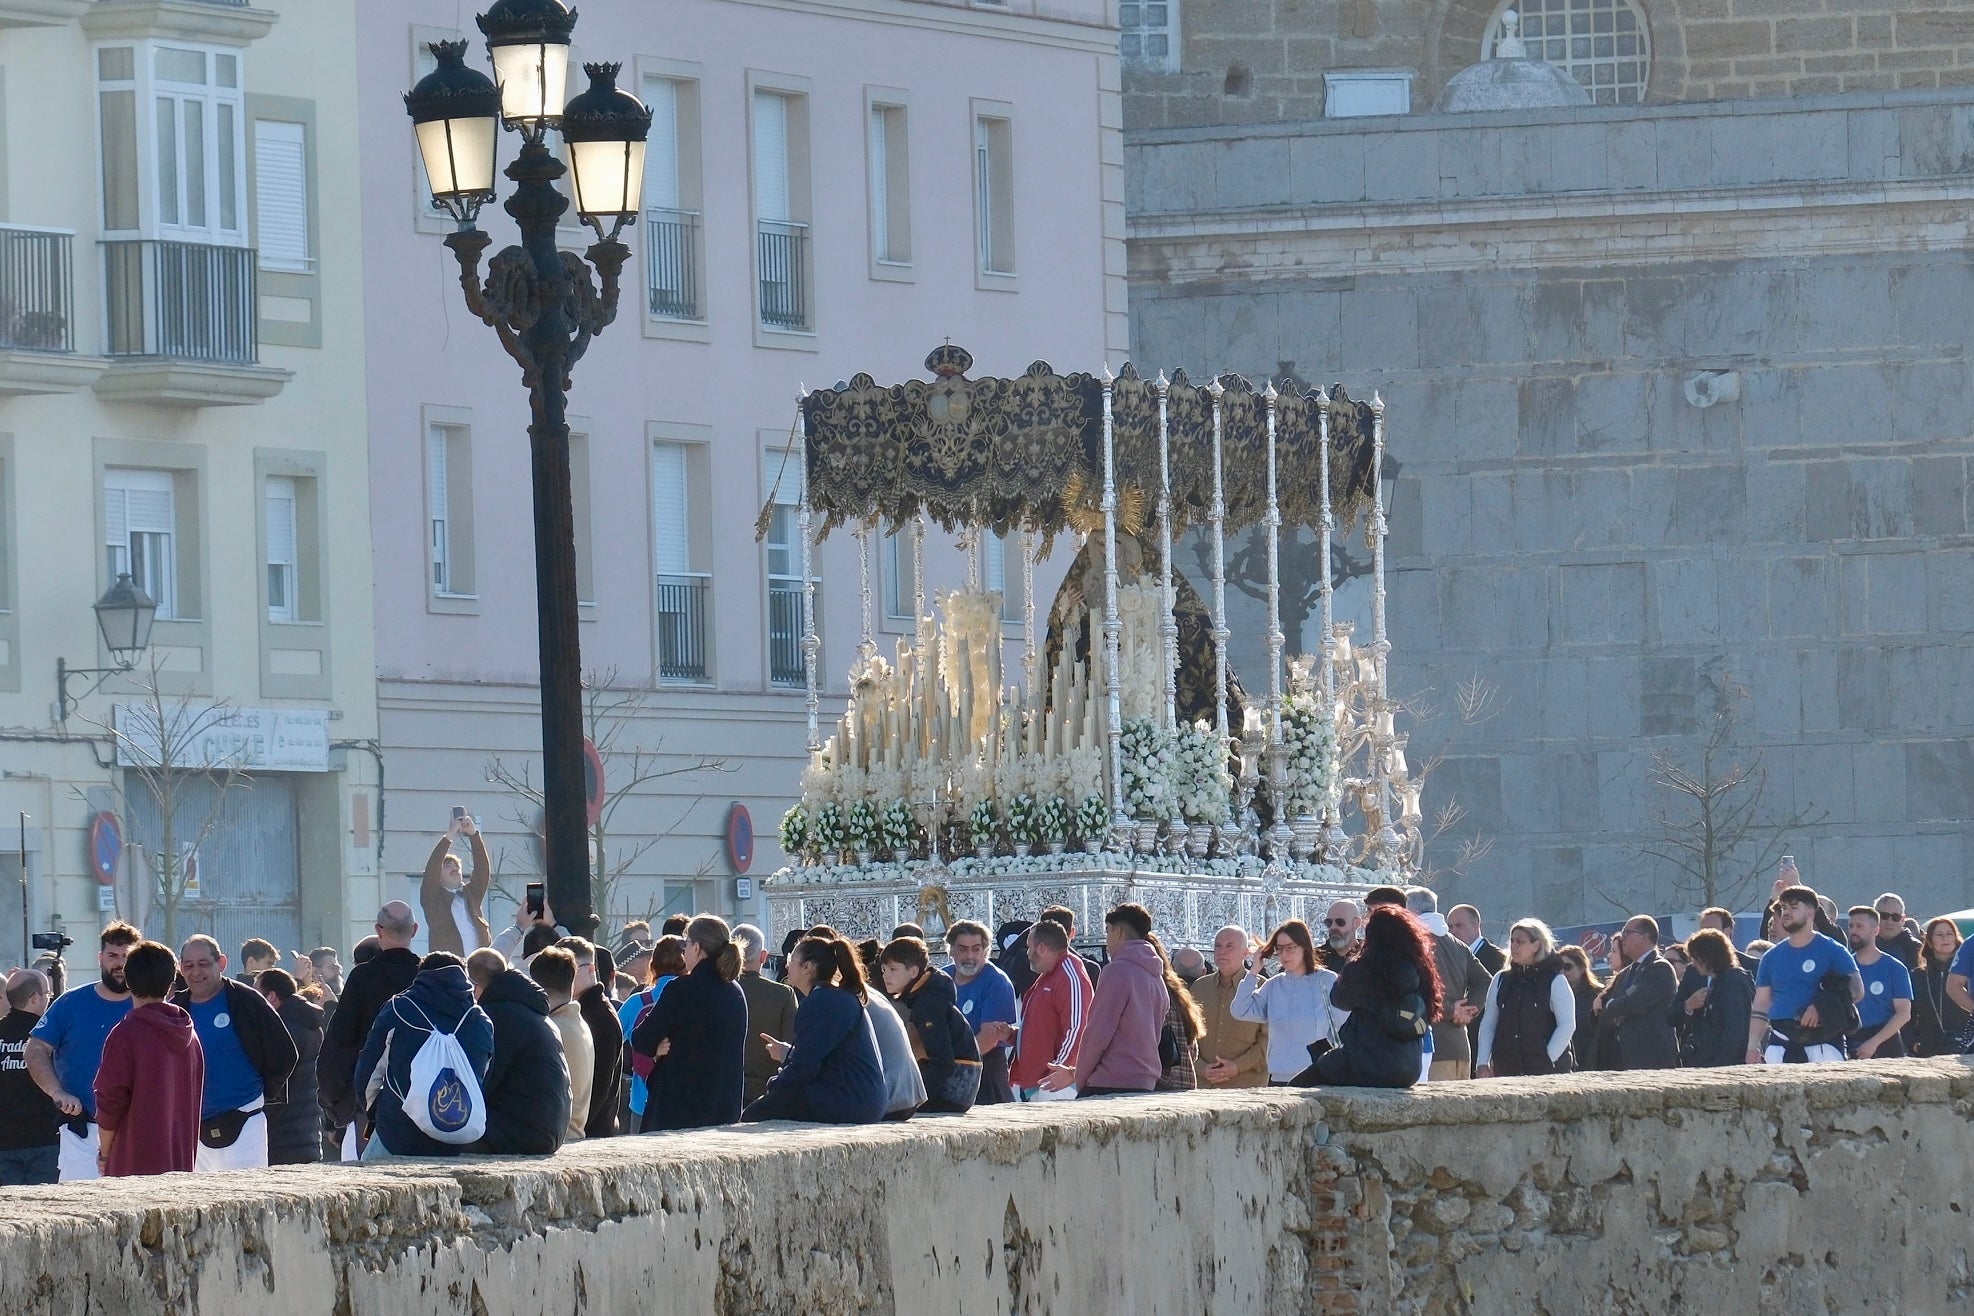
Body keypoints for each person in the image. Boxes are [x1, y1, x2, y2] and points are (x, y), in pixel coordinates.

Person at [169, 935, 299, 1172]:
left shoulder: (245, 999)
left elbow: (284, 1053)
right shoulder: (176, 1008)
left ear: (221, 963)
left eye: (203, 963)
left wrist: (263, 1091)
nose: (196, 972)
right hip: (193, 1129)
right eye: (188, 965)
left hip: (244, 1119)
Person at [24, 921, 140, 1180]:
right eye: (112, 956)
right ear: (100, 958)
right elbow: (35, 1049)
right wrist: (57, 1092)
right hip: (82, 1133)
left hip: (135, 1132)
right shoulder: (70, 1003)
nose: (119, 963)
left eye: (127, 956)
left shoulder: (149, 1005)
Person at [353, 951, 495, 1159]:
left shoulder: (399, 1009)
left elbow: (367, 1075)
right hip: (456, 1143)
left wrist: (377, 1112)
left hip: (398, 1134)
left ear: (421, 975)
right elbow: (482, 1079)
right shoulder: (481, 1021)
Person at [743, 934, 887, 1125]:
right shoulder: (836, 997)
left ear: (807, 967)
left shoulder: (820, 1002)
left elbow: (804, 1067)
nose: (786, 966)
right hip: (864, 1100)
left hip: (849, 1101)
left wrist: (775, 1085)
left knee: (753, 1115)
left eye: (790, 960)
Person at [1291, 905, 1440, 1090]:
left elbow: (1338, 1000)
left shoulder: (1364, 969)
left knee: (1295, 1087)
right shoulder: (1420, 969)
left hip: (1363, 1063)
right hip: (1408, 1069)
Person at [320, 902, 423, 1159]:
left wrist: (334, 1107)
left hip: (370, 1100)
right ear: (415, 930)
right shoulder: (427, 977)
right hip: (424, 1097)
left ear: (378, 930)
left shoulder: (362, 979)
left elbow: (339, 1043)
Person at [93, 941, 203, 1178]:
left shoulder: (126, 1033)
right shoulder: (190, 1033)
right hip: (180, 1164)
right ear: (171, 983)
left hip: (133, 1166)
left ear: (128, 980)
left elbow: (110, 1102)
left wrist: (105, 1155)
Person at [631, 915, 749, 1132]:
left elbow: (641, 1039)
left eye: (685, 944)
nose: (683, 951)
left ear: (697, 947)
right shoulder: (735, 991)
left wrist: (657, 1048)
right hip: (724, 1110)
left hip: (679, 1112)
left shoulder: (682, 989)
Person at [465, 947, 570, 1154]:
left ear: (475, 986)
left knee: (438, 1135)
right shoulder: (531, 1010)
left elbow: (483, 1083)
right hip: (547, 1128)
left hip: (526, 1132)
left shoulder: (497, 1017)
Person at [1747, 885, 1865, 1065]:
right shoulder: (1771, 957)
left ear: (1811, 912)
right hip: (1780, 1042)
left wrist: (1822, 1007)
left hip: (1822, 1043)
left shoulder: (1833, 950)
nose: (1786, 912)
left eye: (1794, 908)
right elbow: (1761, 1004)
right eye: (1784, 908)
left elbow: (1857, 991)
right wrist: (1752, 1046)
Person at [1229, 918, 1343, 1084]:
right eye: (1279, 949)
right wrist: (1253, 972)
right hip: (1280, 1079)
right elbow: (1239, 1010)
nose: (1284, 954)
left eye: (1290, 948)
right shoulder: (1273, 986)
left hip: (1319, 1077)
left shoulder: (1327, 980)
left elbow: (1345, 1024)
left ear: (1304, 947)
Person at [1073, 905, 1169, 1097]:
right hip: (1145, 1081)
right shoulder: (1156, 975)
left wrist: (1081, 1079)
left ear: (1118, 931)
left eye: (1108, 931)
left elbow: (1097, 1032)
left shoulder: (1117, 971)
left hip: (1110, 1079)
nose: (1107, 940)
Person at [880, 936, 981, 1113]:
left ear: (913, 972)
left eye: (893, 969)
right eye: (884, 970)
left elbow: (942, 1061)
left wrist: (916, 1101)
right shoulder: (924, 998)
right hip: (958, 1088)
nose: (886, 975)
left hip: (955, 1090)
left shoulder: (928, 1005)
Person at [1405, 888, 1489, 1080]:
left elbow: (1416, 990)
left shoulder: (1414, 943)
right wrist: (1467, 1010)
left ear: (1411, 911)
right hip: (1461, 1047)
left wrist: (1452, 1010)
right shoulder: (1458, 945)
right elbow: (1485, 981)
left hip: (1432, 1050)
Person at [1474, 919, 1574, 1078]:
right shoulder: (1501, 979)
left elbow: (1567, 1025)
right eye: (1512, 940)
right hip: (1506, 1068)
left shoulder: (1555, 980)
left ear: (1537, 945)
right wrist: (1482, 1063)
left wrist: (1548, 1058)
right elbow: (1488, 1023)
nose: (1513, 945)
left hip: (1548, 1073)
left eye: (1520, 941)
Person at [1009, 920, 1091, 1102]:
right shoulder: (1050, 975)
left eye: (1029, 948)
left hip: (1056, 1084)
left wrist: (1060, 1068)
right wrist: (1011, 1035)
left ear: (1042, 948)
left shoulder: (1070, 975)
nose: (1027, 954)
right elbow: (1042, 1031)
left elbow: (1078, 1027)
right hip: (1044, 1083)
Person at [942, 920, 1018, 1105]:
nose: (969, 956)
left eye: (976, 949)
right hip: (945, 1071)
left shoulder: (996, 982)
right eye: (962, 949)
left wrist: (950, 1064)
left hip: (985, 1074)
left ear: (985, 951)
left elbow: (987, 1039)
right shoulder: (941, 979)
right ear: (951, 950)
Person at [556, 936, 622, 1138]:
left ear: (591, 969)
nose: (565, 975)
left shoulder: (601, 1018)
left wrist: (575, 1130)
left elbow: (599, 1088)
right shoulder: (583, 1011)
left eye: (571, 968)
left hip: (591, 1133)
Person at [0, 969, 61, 1185]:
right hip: (44, 1139)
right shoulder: (49, 1035)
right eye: (47, 994)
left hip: (5, 1142)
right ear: (34, 998)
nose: (49, 998)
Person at [1188, 925, 1268, 1089]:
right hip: (1203, 1087)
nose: (1222, 951)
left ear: (1246, 953)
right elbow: (1187, 1035)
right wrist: (1200, 1067)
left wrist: (1237, 1066)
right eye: (1218, 946)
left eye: (1229, 946)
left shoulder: (1262, 987)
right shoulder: (1200, 988)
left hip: (1246, 1088)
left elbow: (1269, 1040)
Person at [257, 968, 324, 1165]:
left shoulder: (280, 1032)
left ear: (271, 997)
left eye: (256, 994)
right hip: (308, 1134)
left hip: (281, 1138)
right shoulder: (310, 1024)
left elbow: (274, 1087)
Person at [1595, 918, 1680, 1071]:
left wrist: (1611, 1005)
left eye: (1627, 933)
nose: (1623, 938)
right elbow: (1604, 1011)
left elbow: (1635, 1003)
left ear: (1644, 937)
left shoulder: (1660, 968)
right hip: (1623, 1059)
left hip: (1652, 1060)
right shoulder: (1625, 974)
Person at [617, 935, 685, 1124]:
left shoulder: (636, 1002)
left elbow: (610, 1041)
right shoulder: (693, 1001)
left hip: (642, 1101)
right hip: (682, 1101)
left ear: (652, 967)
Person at [529, 947, 593, 1143]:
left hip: (560, 1136)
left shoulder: (553, 1029)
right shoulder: (580, 1024)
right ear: (571, 984)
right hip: (575, 1132)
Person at [733, 924, 800, 1108]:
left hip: (721, 1091)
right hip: (764, 1093)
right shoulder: (783, 994)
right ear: (763, 956)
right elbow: (791, 1046)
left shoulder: (716, 991)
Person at [1677, 929, 1755, 1068]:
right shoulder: (1719, 981)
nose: (1693, 963)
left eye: (1696, 958)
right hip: (1710, 1061)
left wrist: (1719, 1065)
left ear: (1708, 957)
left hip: (1724, 1065)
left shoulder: (1733, 982)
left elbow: (1734, 1031)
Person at [1845, 907, 1913, 1060]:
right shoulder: (1844, 967)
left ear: (1875, 930)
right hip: (1851, 1041)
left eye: (1859, 926)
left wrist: (1874, 1042)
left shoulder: (1894, 968)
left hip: (1885, 1044)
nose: (1854, 931)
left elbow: (1903, 1013)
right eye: (1851, 926)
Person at [421, 814, 493, 958]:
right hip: (450, 972)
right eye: (448, 866)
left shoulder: (471, 894)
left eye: (457, 866)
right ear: (438, 876)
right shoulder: (433, 900)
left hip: (480, 970)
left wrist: (473, 834)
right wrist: (450, 835)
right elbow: (431, 869)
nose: (454, 868)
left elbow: (482, 870)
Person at [1911, 918, 1972, 1057]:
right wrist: (1913, 1040)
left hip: (1965, 1044)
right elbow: (1910, 1013)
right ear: (1930, 942)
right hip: (1929, 1047)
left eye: (1949, 934)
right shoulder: (1917, 975)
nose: (1945, 938)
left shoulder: (1968, 973)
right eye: (1939, 934)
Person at [1151, 934, 1205, 1092]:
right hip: (1186, 1084)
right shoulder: (1182, 997)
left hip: (1158, 1085)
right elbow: (1193, 1051)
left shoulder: (1154, 992)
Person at [1556, 945, 1604, 1069]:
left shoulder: (1598, 995)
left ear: (1582, 968)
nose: (1562, 972)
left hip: (1592, 1060)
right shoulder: (1555, 996)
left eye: (1567, 967)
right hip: (1565, 1060)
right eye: (1558, 967)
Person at [1873, 894, 1921, 970]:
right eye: (1884, 916)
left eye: (1895, 917)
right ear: (1875, 917)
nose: (1889, 922)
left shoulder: (1915, 948)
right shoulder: (1864, 945)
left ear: (1903, 919)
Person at [1315, 901, 1362, 972]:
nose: (1333, 927)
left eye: (1340, 922)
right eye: (1329, 922)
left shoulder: (1369, 958)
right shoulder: (1315, 958)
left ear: (1356, 923)